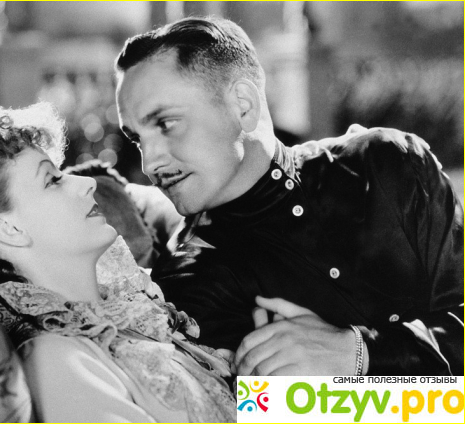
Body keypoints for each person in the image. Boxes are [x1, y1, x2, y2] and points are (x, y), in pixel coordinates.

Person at [115, 16, 463, 376]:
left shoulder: (387, 163)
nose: (149, 163)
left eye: (166, 124)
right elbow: (258, 406)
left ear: (243, 104)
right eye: (137, 139)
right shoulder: (192, 286)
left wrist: (362, 354)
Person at [0, 104, 236, 422]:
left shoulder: (134, 312)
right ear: (9, 229)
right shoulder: (59, 360)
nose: (86, 183)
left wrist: (274, 380)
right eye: (53, 180)